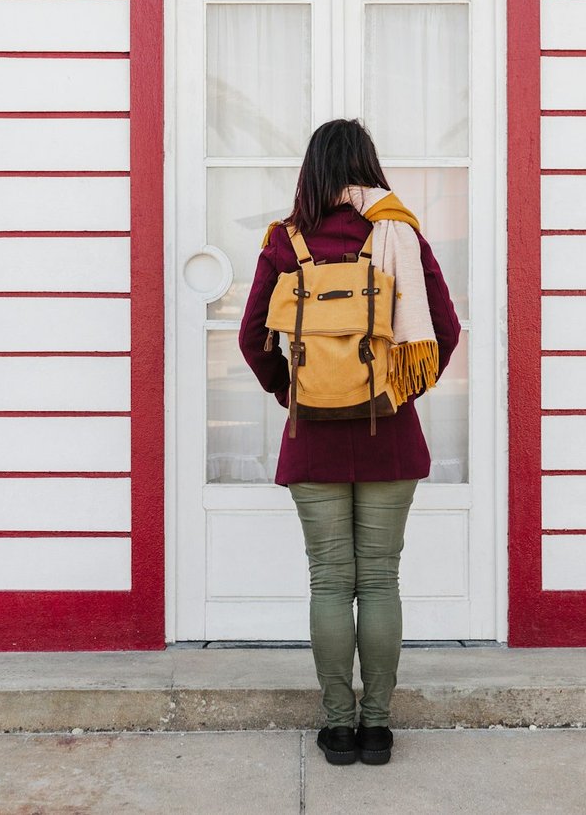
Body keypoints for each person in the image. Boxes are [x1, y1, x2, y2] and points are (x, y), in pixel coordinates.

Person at [238, 118, 462, 768]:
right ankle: (378, 727)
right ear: (368, 165)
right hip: (389, 435)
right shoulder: (399, 229)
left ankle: (338, 728)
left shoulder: (285, 241)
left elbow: (253, 337)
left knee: (331, 582)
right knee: (381, 580)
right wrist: (395, 389)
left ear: (311, 170)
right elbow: (443, 330)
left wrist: (294, 392)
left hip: (313, 440)